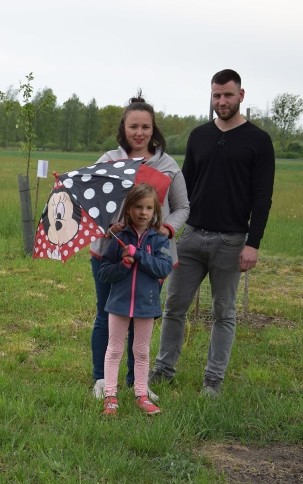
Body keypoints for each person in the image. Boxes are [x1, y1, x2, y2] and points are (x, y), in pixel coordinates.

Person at [150, 69, 275, 397]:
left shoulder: (258, 141)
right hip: (190, 236)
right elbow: (182, 186)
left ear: (241, 96)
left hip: (231, 242)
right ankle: (163, 371)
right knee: (173, 307)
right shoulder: (199, 136)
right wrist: (164, 224)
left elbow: (263, 197)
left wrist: (253, 243)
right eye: (216, 95)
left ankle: (212, 382)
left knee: (224, 313)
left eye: (228, 95)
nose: (221, 101)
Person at [90, 95, 190, 400]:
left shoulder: (168, 165)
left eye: (145, 126)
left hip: (151, 256)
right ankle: (101, 380)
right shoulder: (108, 161)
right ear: (124, 127)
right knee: (106, 313)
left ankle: (138, 382)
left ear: (153, 129)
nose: (139, 132)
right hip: (111, 251)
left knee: (141, 316)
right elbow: (91, 203)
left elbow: (182, 206)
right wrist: (110, 224)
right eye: (133, 126)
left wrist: (166, 228)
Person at [98, 183, 173, 416]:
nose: (143, 212)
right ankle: (110, 395)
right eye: (138, 207)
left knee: (141, 351)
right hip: (118, 304)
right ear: (128, 209)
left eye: (148, 208)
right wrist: (122, 265)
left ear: (155, 211)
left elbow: (163, 268)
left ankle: (141, 393)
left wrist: (138, 254)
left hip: (146, 305)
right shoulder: (117, 238)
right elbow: (104, 272)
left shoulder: (159, 241)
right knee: (114, 350)